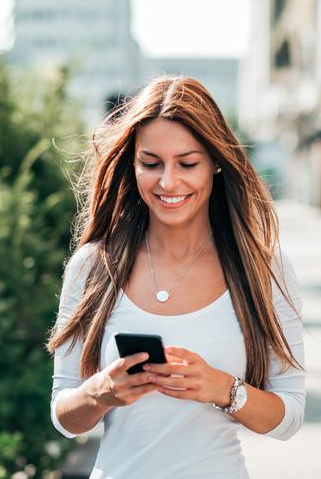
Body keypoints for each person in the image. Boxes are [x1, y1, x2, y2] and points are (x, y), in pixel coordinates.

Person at [46, 76, 305, 478]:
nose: (168, 182)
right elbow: (64, 417)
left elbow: (288, 417)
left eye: (187, 163)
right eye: (151, 164)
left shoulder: (263, 268)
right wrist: (101, 393)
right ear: (131, 164)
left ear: (216, 161)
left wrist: (223, 389)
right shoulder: (93, 266)